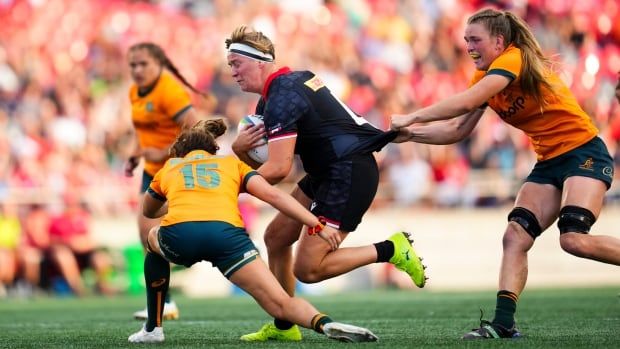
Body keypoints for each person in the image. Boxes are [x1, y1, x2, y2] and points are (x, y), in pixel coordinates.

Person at [390, 8, 620, 339]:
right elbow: (456, 130)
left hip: (584, 152)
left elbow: (465, 102)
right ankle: (503, 324)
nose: (468, 47)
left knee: (573, 238)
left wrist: (411, 118)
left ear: (499, 42)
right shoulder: (485, 77)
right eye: (466, 39)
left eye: (475, 40)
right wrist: (411, 136)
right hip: (549, 162)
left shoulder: (514, 58)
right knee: (515, 236)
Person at [225, 26, 426, 342]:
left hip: (347, 172)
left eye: (236, 63)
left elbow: (277, 169)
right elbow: (273, 168)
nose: (232, 72)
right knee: (276, 237)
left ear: (260, 61)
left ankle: (391, 249)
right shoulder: (282, 91)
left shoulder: (282, 97)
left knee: (309, 270)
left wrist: (227, 186)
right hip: (328, 171)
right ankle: (284, 324)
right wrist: (241, 153)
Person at [127, 119, 378, 343]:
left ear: (179, 152)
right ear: (214, 150)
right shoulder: (231, 165)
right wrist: (316, 224)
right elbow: (273, 196)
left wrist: (182, 199)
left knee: (151, 239)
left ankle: (153, 329)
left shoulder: (170, 166)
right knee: (281, 303)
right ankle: (324, 323)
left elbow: (149, 212)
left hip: (180, 236)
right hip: (228, 238)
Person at [124, 42, 205, 320]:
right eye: (132, 65)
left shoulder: (169, 91)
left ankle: (167, 298)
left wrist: (163, 152)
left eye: (143, 64)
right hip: (151, 171)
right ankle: (165, 301)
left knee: (156, 235)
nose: (137, 70)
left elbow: (197, 129)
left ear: (159, 64)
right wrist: (136, 154)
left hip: (174, 169)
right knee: (145, 234)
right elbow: (143, 129)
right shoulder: (135, 91)